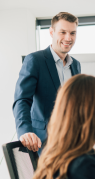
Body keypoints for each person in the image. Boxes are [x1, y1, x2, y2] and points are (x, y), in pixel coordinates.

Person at [13, 12, 81, 155]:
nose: (68, 38)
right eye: (63, 32)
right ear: (51, 32)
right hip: (44, 144)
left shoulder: (76, 65)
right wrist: (25, 131)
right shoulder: (35, 60)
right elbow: (22, 99)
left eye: (72, 33)